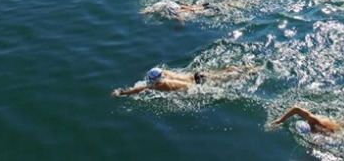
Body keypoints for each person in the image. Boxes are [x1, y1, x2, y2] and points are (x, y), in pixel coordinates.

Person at [111, 65, 259, 97]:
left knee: (221, 80)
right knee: (220, 74)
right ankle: (245, 68)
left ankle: (244, 74)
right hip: (196, 74)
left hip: (195, 83)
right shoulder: (165, 72)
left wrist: (120, 92)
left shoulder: (158, 85)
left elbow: (136, 89)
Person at [270, 106, 344, 136]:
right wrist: (281, 120)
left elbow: (297, 109)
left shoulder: (316, 122)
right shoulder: (312, 122)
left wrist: (280, 120)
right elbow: (296, 109)